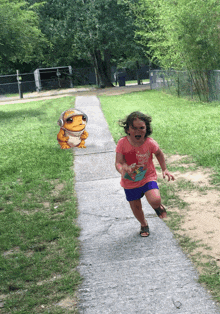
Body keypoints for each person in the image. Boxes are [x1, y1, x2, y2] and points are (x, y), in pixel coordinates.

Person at [115, 111, 175, 237]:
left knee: (155, 199)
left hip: (147, 176)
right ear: (128, 130)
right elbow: (118, 162)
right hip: (129, 181)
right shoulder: (122, 143)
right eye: (134, 128)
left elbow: (159, 153)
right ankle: (143, 224)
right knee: (136, 207)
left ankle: (157, 206)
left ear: (146, 129)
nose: (138, 131)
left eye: (141, 128)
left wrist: (164, 169)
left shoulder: (150, 143)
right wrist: (122, 169)